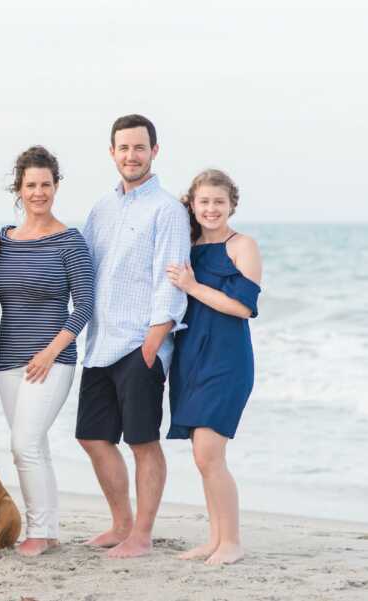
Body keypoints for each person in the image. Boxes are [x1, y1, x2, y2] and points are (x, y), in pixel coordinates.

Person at [77, 114, 191, 559]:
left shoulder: (167, 209)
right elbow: (79, 263)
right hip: (100, 344)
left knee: (142, 441)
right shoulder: (102, 208)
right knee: (92, 436)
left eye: (139, 147)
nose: (131, 155)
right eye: (123, 148)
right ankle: (121, 522)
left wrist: (154, 340)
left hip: (140, 344)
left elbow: (172, 279)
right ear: (112, 153)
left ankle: (141, 534)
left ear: (154, 151)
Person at [0, 146, 94, 557]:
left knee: (25, 443)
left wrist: (51, 352)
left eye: (46, 184)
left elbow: (85, 304)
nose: (39, 192)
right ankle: (47, 528)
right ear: (18, 189)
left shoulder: (70, 242)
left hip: (51, 362)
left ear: (56, 187)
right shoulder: (3, 240)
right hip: (7, 362)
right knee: (31, 446)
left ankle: (38, 532)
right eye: (31, 185)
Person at [166, 169, 262, 565]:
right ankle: (215, 539)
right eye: (203, 201)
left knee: (210, 453)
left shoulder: (243, 245)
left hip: (227, 359)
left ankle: (233, 542)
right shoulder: (186, 247)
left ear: (231, 205)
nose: (211, 209)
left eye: (218, 202)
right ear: (192, 204)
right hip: (189, 356)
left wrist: (192, 288)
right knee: (202, 456)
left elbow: (242, 307)